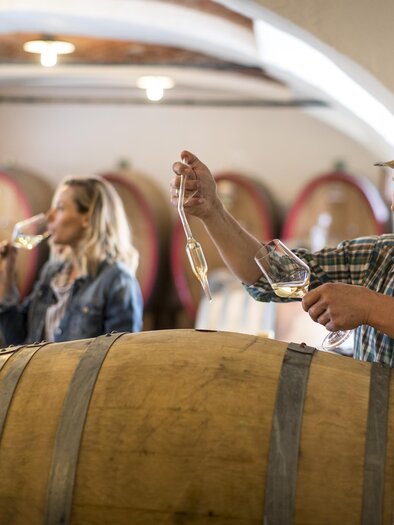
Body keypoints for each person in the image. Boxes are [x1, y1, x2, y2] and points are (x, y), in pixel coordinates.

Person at [171, 150, 394, 366]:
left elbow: (366, 305)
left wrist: (369, 307)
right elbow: (269, 275)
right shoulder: (380, 254)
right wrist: (212, 211)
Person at [0, 175, 143, 344]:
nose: (49, 216)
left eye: (60, 208)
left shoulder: (117, 280)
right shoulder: (53, 273)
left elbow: (121, 357)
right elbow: (17, 341)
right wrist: (6, 280)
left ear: (87, 218)